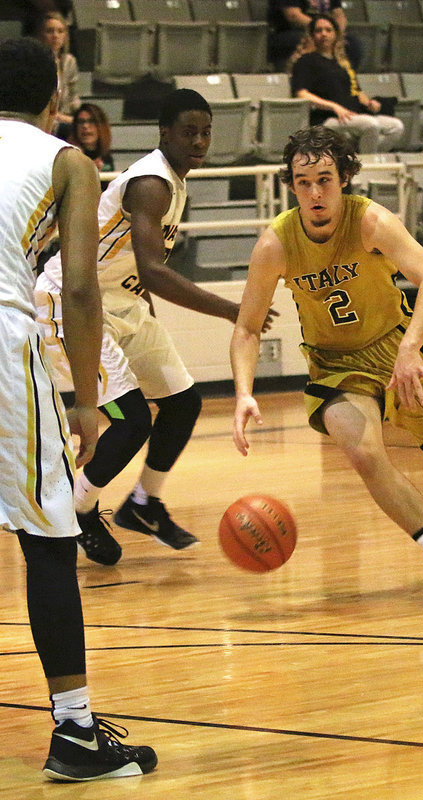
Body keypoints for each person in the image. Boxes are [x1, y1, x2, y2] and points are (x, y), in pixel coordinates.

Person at [231, 126, 423, 606]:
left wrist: (410, 348)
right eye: (303, 183)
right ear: (291, 186)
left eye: (324, 180)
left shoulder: (372, 222)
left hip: (395, 346)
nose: (315, 193)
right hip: (335, 365)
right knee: (363, 453)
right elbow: (248, 328)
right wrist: (244, 392)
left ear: (345, 178)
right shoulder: (276, 244)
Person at [0, 36, 156, 781]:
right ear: (54, 96)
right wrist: (89, 401)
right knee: (48, 534)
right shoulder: (67, 160)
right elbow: (84, 288)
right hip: (3, 345)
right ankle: (74, 734)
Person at [35, 88, 277, 567]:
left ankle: (143, 504)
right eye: (189, 132)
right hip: (72, 304)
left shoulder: (174, 181)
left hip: (122, 304)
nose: (199, 141)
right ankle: (74, 512)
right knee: (131, 422)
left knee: (183, 403)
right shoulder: (151, 182)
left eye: (206, 132)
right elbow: (152, 269)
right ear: (164, 134)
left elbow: (133, 269)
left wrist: (147, 315)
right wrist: (233, 311)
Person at [290, 15, 403, 154]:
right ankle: (364, 166)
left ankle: (357, 157)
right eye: (319, 30)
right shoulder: (305, 61)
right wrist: (334, 107)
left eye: (328, 30)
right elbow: (302, 94)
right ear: (312, 36)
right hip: (326, 118)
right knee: (370, 125)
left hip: (353, 115)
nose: (324, 34)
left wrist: (369, 103)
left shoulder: (343, 62)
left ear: (336, 35)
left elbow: (356, 91)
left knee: (396, 127)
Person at [268, 0, 362, 71]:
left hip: (324, 30)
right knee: (301, 41)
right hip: (290, 32)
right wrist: (321, 28)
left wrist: (337, 33)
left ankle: (344, 82)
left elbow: (339, 14)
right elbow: (293, 15)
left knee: (351, 43)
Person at [33, 11, 80, 139]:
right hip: (41, 120)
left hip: (64, 118)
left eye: (60, 31)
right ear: (41, 35)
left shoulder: (69, 62)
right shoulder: (35, 62)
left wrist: (80, 116)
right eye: (50, 31)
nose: (55, 36)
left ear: (65, 36)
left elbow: (73, 98)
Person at [70, 103, 115, 174]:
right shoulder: (68, 156)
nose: (85, 126)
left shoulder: (106, 157)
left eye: (91, 121)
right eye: (81, 122)